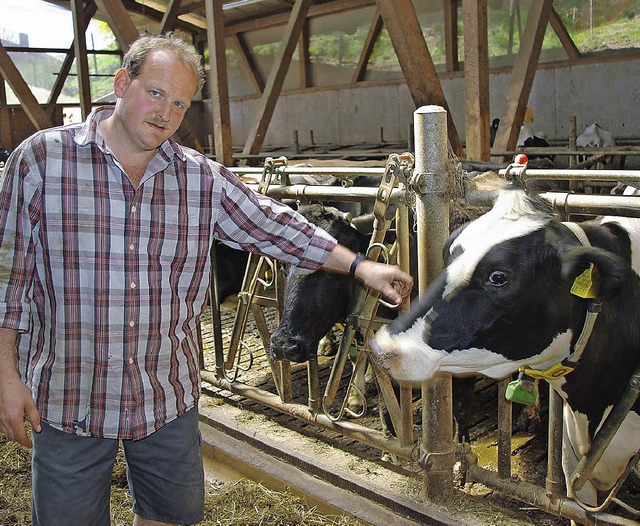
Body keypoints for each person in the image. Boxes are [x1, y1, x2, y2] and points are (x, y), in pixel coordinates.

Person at [0, 34, 413, 526]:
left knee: (174, 517)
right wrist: (5, 375)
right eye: (155, 93)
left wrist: (360, 266)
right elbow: (9, 278)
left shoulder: (200, 177)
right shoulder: (41, 161)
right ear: (121, 83)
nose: (165, 113)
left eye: (179, 103)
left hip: (165, 394)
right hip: (70, 393)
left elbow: (273, 224)